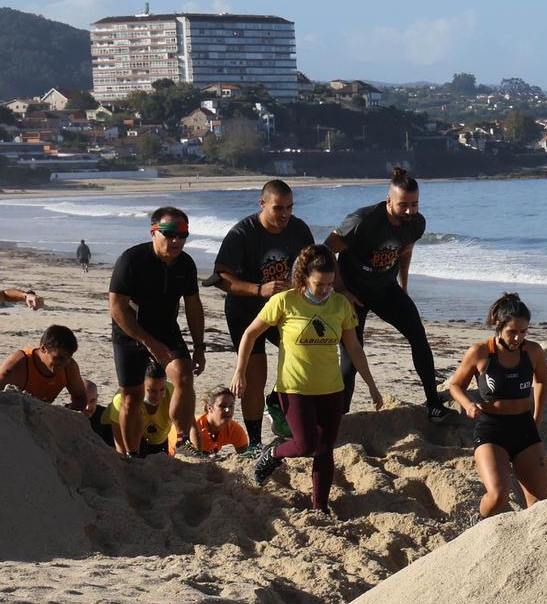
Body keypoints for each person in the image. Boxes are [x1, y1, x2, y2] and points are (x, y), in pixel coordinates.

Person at [235, 243, 385, 514]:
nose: (325, 289)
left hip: (331, 389)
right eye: (319, 284)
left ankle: (320, 507)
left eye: (329, 283)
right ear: (304, 277)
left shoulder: (340, 304)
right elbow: (250, 334)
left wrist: (371, 385)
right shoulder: (284, 301)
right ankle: (274, 453)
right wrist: (239, 372)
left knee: (325, 450)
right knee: (305, 445)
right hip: (295, 388)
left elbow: (353, 348)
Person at [326, 168, 449, 422]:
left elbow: (404, 252)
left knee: (418, 335)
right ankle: (340, 418)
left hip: (385, 289)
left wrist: (403, 286)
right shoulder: (363, 220)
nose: (409, 211)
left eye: (414, 204)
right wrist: (340, 291)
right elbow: (326, 250)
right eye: (403, 205)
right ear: (388, 199)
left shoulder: (416, 222)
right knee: (351, 353)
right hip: (352, 293)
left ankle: (433, 403)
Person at [212, 179, 314, 446]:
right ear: (262, 204)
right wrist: (258, 289)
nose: (285, 215)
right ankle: (255, 442)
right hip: (245, 308)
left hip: (283, 308)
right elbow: (221, 278)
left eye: (289, 208)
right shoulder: (243, 233)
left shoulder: (299, 229)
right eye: (278, 208)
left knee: (305, 354)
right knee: (256, 375)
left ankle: (276, 400)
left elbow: (310, 266)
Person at [108, 207, 203, 457]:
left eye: (182, 235)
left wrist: (200, 347)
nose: (176, 241)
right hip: (129, 330)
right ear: (153, 232)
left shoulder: (186, 264)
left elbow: (193, 306)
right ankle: (132, 454)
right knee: (132, 397)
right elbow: (117, 309)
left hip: (165, 328)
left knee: (184, 376)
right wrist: (148, 342)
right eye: (169, 233)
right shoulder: (131, 260)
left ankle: (182, 441)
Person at [447, 292, 547, 520]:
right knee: (498, 495)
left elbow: (542, 380)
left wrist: (537, 416)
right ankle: (479, 527)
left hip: (524, 427)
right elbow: (455, 385)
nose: (517, 338)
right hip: (491, 429)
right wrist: (468, 404)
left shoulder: (533, 351)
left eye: (523, 331)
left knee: (540, 502)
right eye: (512, 332)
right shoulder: (480, 352)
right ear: (498, 326)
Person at [1, 325, 91, 410]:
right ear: (43, 349)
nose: (64, 363)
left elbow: (80, 398)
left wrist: (65, 417)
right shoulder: (17, 367)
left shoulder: (69, 365)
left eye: (69, 357)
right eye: (59, 358)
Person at [98, 361, 175, 456]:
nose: (158, 395)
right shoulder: (123, 400)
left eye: (162, 389)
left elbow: (189, 426)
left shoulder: (172, 392)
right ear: (140, 386)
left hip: (155, 434)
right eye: (152, 391)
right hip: (117, 430)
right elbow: (121, 448)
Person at [175, 386, 250, 455]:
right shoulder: (197, 426)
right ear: (209, 408)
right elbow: (193, 459)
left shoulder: (234, 429)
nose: (228, 410)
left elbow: (245, 454)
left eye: (231, 406)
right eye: (222, 406)